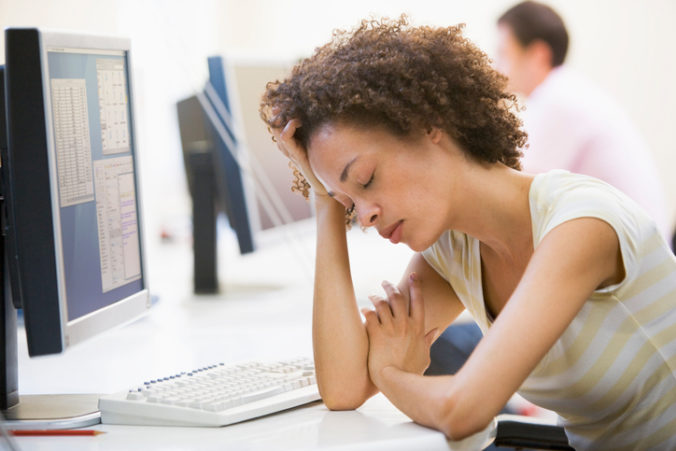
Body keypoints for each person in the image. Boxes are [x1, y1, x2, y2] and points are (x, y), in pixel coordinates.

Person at [260, 16, 676, 450]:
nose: (363, 217)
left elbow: (464, 411)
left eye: (365, 180)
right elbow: (344, 389)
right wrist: (326, 200)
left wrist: (389, 373)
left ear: (428, 124)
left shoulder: (581, 224)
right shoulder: (455, 249)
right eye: (350, 204)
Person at [495, 1, 671, 240]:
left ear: (538, 55)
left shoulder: (557, 99)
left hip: (636, 255)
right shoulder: (568, 90)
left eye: (503, 53)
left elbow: (518, 193)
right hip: (640, 244)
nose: (497, 67)